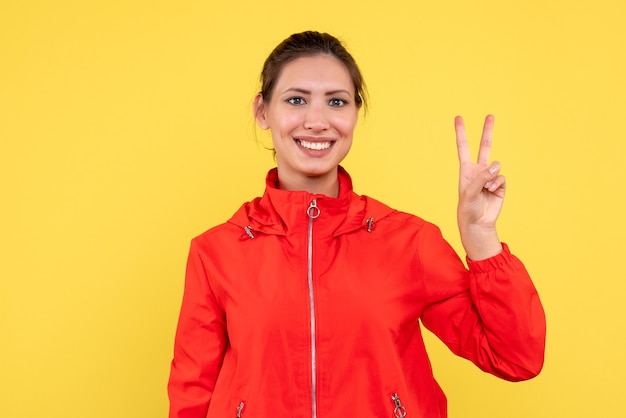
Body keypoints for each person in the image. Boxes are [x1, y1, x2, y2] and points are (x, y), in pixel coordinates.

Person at [167, 31, 546, 418]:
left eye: (336, 102)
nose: (317, 121)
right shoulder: (216, 251)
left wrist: (482, 239)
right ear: (262, 111)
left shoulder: (409, 241)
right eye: (296, 100)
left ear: (354, 113)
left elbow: (516, 357)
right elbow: (191, 394)